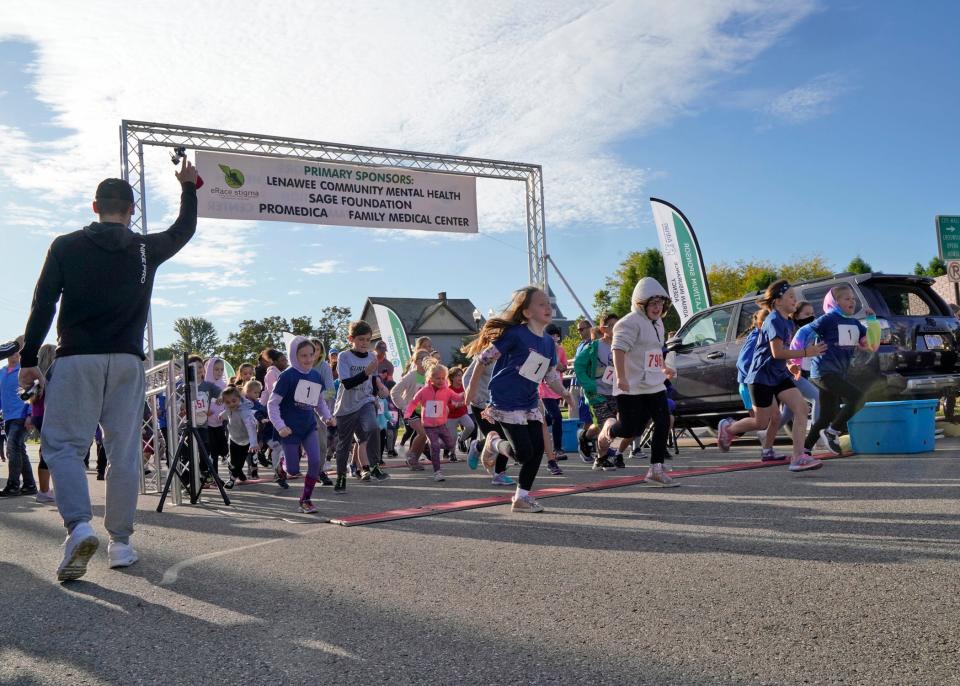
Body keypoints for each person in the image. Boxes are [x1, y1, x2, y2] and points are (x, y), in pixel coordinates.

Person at [19, 159, 198, 581]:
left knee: (63, 447)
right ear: (131, 210)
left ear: (95, 206)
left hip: (77, 357)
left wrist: (28, 362)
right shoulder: (145, 249)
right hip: (127, 360)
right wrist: (189, 187)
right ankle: (121, 543)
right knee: (122, 453)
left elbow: (43, 303)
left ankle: (79, 526)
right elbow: (183, 229)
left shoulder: (65, 245)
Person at [464, 286, 570, 513]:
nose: (548, 307)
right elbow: (483, 359)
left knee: (537, 449)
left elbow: (549, 374)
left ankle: (521, 498)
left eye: (548, 303)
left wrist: (564, 392)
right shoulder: (515, 334)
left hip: (529, 401)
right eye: (541, 304)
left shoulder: (549, 343)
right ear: (527, 312)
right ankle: (492, 443)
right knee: (522, 453)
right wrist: (471, 390)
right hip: (506, 399)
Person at [721, 280, 827, 473]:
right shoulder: (774, 320)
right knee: (761, 422)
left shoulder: (786, 321)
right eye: (791, 297)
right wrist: (806, 352)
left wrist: (791, 366)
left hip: (778, 376)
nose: (795, 300)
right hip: (760, 377)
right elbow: (777, 352)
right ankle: (728, 429)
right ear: (778, 301)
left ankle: (798, 457)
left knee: (801, 408)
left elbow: (781, 355)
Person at [595, 278, 679, 487]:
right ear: (641, 303)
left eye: (661, 304)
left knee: (663, 421)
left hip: (653, 383)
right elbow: (618, 350)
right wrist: (622, 377)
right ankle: (609, 431)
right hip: (630, 386)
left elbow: (653, 352)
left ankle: (656, 469)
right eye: (653, 303)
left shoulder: (658, 323)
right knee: (630, 429)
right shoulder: (628, 322)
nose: (657, 308)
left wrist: (664, 368)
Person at [803, 285, 879, 455]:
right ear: (835, 303)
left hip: (835, 373)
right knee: (858, 397)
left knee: (826, 414)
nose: (852, 301)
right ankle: (832, 432)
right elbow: (806, 332)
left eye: (853, 298)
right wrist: (797, 356)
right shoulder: (828, 319)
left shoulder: (855, 324)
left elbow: (872, 345)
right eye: (847, 298)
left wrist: (873, 323)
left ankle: (805, 449)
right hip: (823, 371)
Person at [267, 337, 334, 513]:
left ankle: (306, 499)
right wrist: (280, 426)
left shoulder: (316, 376)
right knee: (293, 470)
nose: (309, 359)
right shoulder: (287, 376)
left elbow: (319, 403)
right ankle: (282, 464)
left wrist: (327, 416)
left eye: (311, 355)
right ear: (294, 356)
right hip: (289, 431)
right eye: (303, 355)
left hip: (309, 427)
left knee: (315, 461)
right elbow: (272, 404)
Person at [332, 320, 391, 492]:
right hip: (346, 406)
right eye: (361, 339)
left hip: (365, 401)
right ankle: (341, 476)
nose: (365, 343)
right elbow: (347, 383)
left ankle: (373, 466)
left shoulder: (372, 357)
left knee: (373, 427)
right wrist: (366, 373)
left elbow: (373, 377)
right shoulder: (344, 357)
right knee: (344, 444)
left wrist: (380, 387)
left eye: (367, 340)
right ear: (351, 338)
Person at [575, 313, 630, 470]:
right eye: (612, 326)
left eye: (618, 325)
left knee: (609, 425)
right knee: (608, 423)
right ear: (602, 328)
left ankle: (585, 436)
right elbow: (579, 366)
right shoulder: (594, 347)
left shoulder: (623, 345)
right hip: (596, 393)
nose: (616, 329)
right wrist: (589, 384)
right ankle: (601, 458)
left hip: (616, 392)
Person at [404, 363, 463, 481]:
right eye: (437, 378)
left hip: (442, 425)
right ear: (430, 378)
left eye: (443, 378)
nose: (441, 381)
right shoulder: (424, 391)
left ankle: (430, 445)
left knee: (450, 445)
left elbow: (458, 397)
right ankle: (437, 472)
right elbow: (414, 402)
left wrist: (467, 393)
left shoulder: (447, 391)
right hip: (429, 426)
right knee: (435, 447)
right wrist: (407, 414)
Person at [1, 336, 37, 497]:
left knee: (12, 448)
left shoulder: (24, 369)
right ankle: (29, 484)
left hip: (22, 414)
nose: (15, 354)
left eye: (18, 352)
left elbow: (33, 391)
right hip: (8, 416)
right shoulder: (2, 372)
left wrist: (30, 414)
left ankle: (13, 486)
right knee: (19, 450)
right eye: (13, 352)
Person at [30, 343, 58, 503]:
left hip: (38, 417)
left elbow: (28, 399)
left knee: (45, 451)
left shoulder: (36, 379)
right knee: (54, 453)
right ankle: (45, 491)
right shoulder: (54, 377)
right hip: (50, 416)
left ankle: (45, 490)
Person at [539, 324, 568, 467]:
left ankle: (537, 433)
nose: (554, 337)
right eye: (551, 335)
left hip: (557, 388)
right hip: (544, 389)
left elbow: (564, 367)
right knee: (557, 416)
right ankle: (557, 448)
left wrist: (556, 364)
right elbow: (542, 366)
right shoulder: (543, 349)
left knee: (549, 419)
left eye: (556, 335)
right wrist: (553, 363)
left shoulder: (561, 350)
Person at [219, 386, 259, 490]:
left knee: (239, 462)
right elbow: (227, 413)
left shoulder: (244, 412)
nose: (231, 404)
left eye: (234, 401)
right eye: (227, 402)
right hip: (233, 439)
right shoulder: (228, 408)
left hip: (245, 441)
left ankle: (232, 479)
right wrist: (221, 415)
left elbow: (251, 427)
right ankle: (240, 475)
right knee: (234, 462)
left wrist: (253, 442)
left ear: (239, 399)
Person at [445, 366, 474, 457]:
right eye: (458, 375)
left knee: (470, 426)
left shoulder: (464, 387)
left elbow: (470, 397)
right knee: (452, 438)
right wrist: (456, 405)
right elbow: (445, 405)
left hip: (462, 414)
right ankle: (452, 454)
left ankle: (460, 439)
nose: (460, 378)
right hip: (451, 417)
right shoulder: (447, 390)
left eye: (462, 375)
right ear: (452, 377)